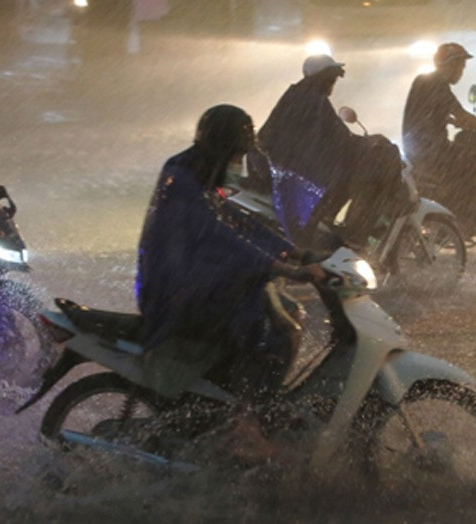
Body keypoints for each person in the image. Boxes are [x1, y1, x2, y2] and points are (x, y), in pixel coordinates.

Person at [136, 104, 325, 460]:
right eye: (237, 153)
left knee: (286, 312)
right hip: (176, 294)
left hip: (190, 284)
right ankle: (246, 426)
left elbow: (238, 222)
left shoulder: (199, 172)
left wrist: (295, 252)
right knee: (274, 331)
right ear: (223, 147)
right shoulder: (184, 181)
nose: (240, 162)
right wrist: (279, 267)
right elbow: (219, 236)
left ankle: (241, 405)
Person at [253, 54, 403, 248]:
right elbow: (339, 138)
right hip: (303, 171)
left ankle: (334, 228)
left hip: (286, 167)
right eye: (332, 79)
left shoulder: (297, 94)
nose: (333, 83)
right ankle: (354, 236)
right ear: (324, 78)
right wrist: (370, 144)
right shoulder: (314, 100)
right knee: (370, 174)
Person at [402, 42, 476, 234]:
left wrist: (453, 121)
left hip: (420, 148)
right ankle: (464, 217)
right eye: (460, 67)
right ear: (449, 65)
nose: (461, 72)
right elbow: (462, 115)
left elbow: (434, 114)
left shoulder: (425, 82)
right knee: (471, 164)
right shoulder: (436, 85)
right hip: (431, 150)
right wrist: (464, 121)